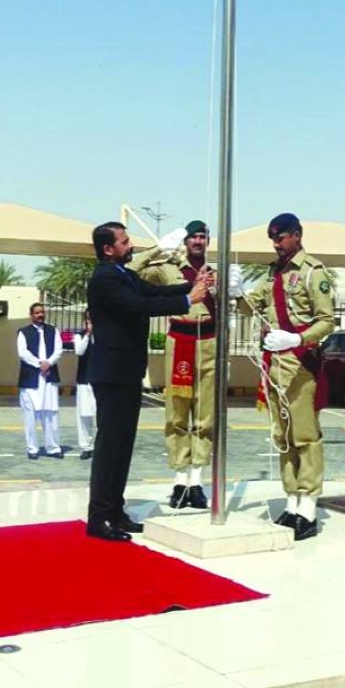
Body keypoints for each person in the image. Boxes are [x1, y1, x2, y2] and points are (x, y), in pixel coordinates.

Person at [85, 221, 212, 542]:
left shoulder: (124, 274)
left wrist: (192, 286)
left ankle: (115, 510)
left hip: (127, 371)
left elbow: (154, 291)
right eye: (124, 241)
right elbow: (140, 306)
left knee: (123, 446)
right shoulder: (105, 278)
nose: (130, 245)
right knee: (110, 447)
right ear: (108, 249)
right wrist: (188, 300)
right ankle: (99, 517)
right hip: (113, 373)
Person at [234, 213, 336, 541]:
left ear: (297, 235)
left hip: (300, 361)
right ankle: (292, 500)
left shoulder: (312, 272)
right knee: (283, 435)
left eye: (281, 238)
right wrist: (238, 292)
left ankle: (308, 506)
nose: (276, 244)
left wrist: (297, 338)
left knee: (305, 435)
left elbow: (327, 320)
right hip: (274, 362)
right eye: (273, 239)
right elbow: (251, 307)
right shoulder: (273, 272)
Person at [133, 220, 216, 509]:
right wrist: (157, 249)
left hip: (208, 343)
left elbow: (240, 305)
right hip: (180, 340)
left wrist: (233, 289)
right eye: (193, 236)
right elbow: (132, 273)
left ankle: (197, 481)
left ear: (208, 241)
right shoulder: (168, 268)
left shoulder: (216, 273)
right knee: (177, 414)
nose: (198, 241)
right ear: (185, 241)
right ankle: (180, 480)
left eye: (203, 236)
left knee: (205, 415)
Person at [16, 301, 64, 459]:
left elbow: (58, 350)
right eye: (37, 313)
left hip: (49, 377)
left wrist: (48, 363)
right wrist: (39, 364)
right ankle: (32, 449)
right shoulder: (23, 332)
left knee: (50, 414)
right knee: (30, 415)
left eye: (42, 312)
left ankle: (53, 448)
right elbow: (23, 353)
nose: (40, 315)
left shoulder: (53, 330)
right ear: (31, 315)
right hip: (30, 380)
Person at [72, 310, 97, 461]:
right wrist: (88, 334)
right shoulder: (79, 335)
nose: (90, 320)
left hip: (100, 380)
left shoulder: (104, 335)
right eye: (88, 318)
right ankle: (87, 447)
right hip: (84, 380)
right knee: (84, 416)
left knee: (101, 415)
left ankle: (101, 446)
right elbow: (79, 351)